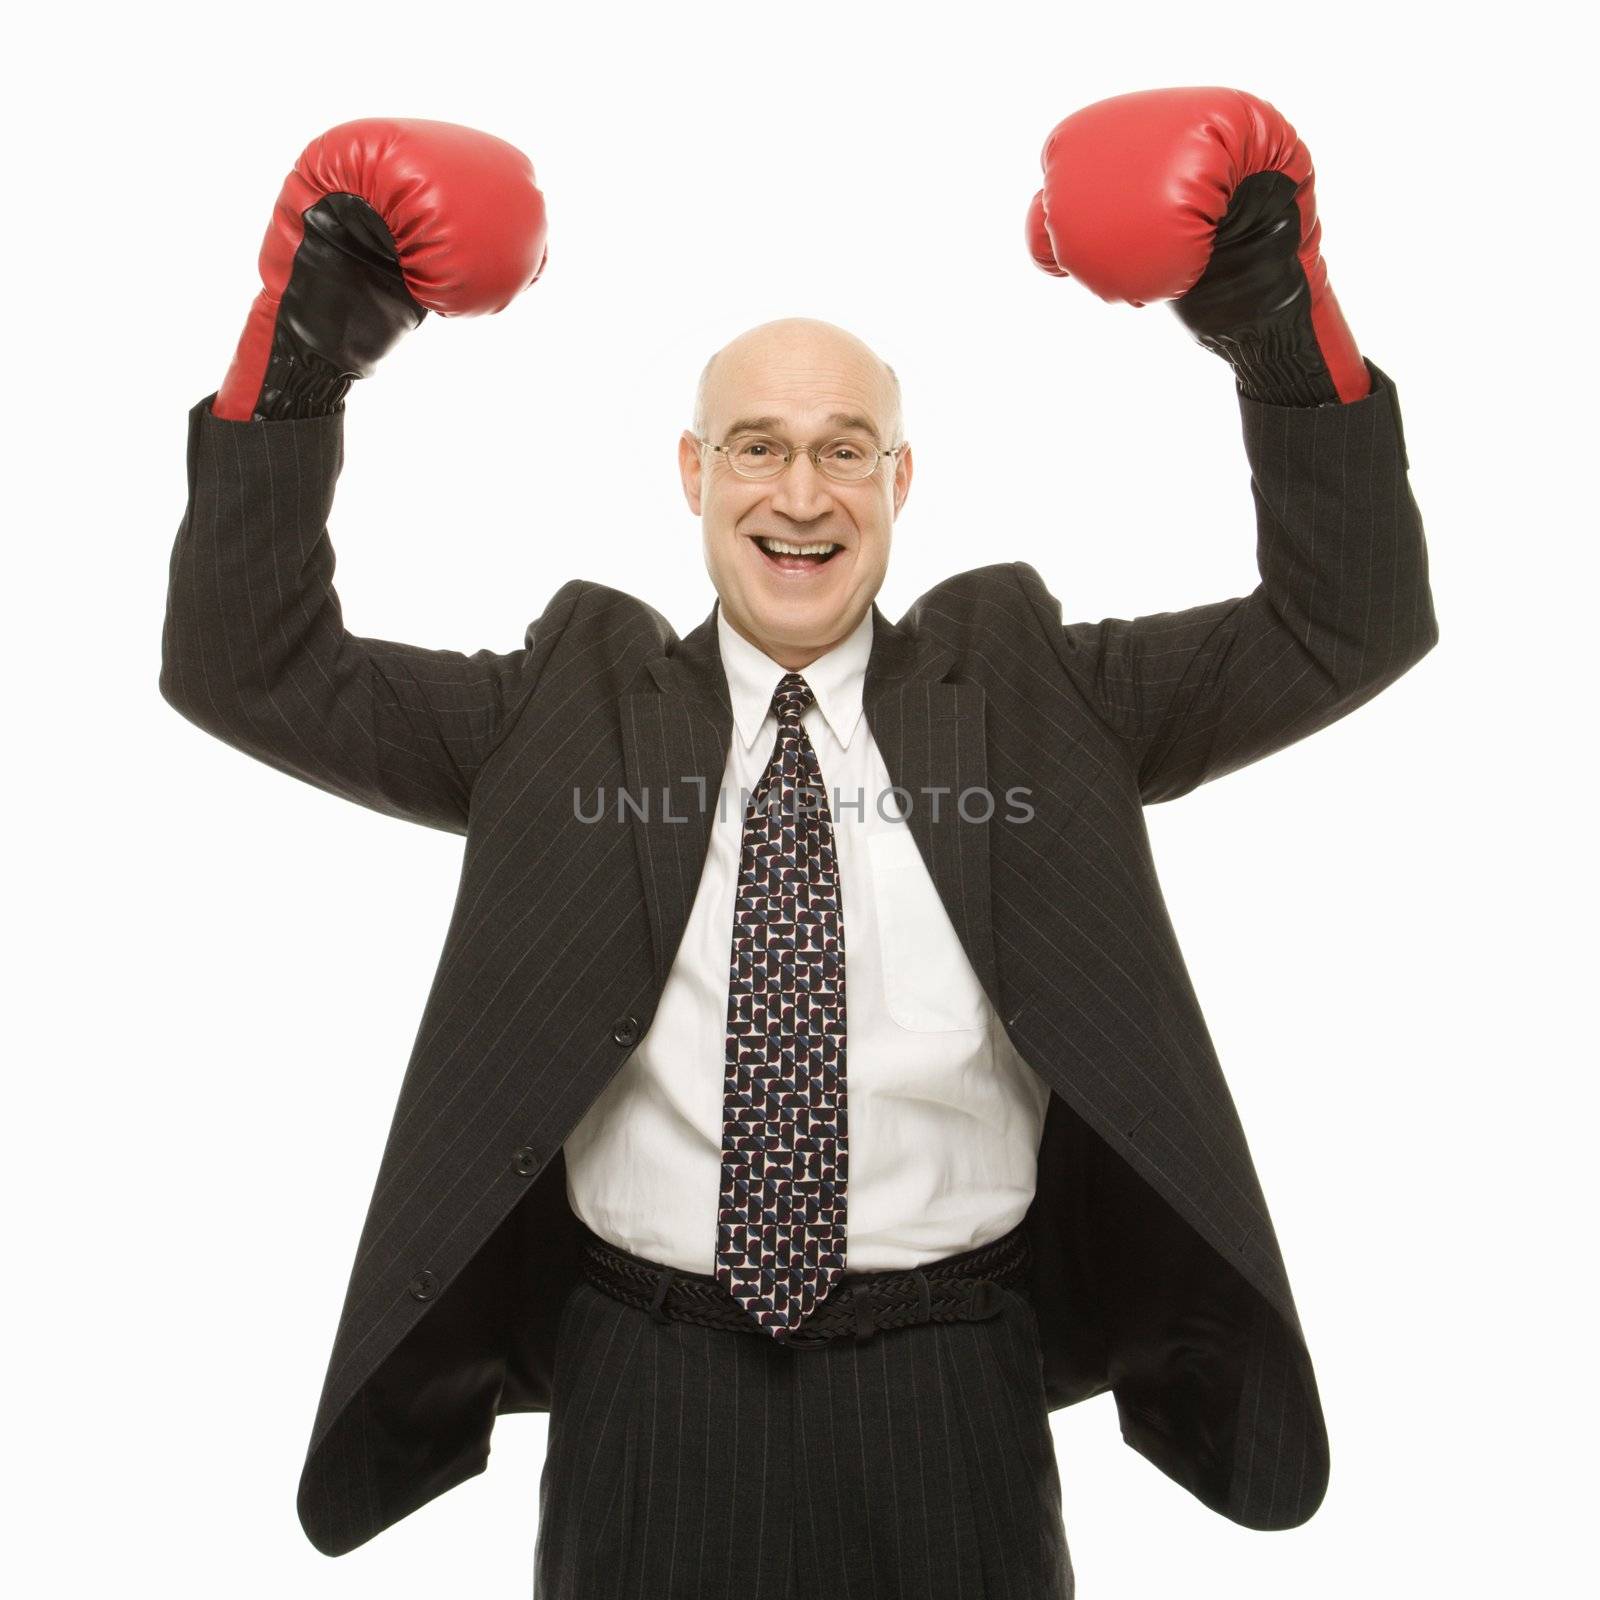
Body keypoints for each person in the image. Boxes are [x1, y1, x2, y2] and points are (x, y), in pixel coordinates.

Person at [160, 90, 1438, 1599]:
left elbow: (1341, 623)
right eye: (757, 448)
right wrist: (308, 357)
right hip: (647, 1382)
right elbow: (249, 664)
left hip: (952, 1378)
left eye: (847, 451)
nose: (802, 494)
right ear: (694, 477)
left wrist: (1271, 326)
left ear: (900, 487)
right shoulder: (562, 705)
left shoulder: (1035, 687)